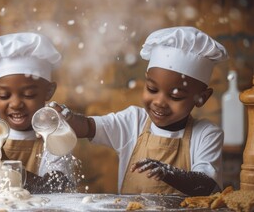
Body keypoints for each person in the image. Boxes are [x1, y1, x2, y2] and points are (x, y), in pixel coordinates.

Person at [49, 26, 228, 196]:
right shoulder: (133, 121)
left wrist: (168, 173)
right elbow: (88, 126)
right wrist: (68, 118)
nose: (159, 102)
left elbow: (205, 186)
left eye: (175, 96)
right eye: (152, 89)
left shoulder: (206, 134)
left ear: (202, 97)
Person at [0, 32, 74, 194]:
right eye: (4, 96)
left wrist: (2, 161)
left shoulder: (54, 130)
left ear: (48, 91)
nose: (15, 104)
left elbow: (55, 189)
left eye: (28, 94)